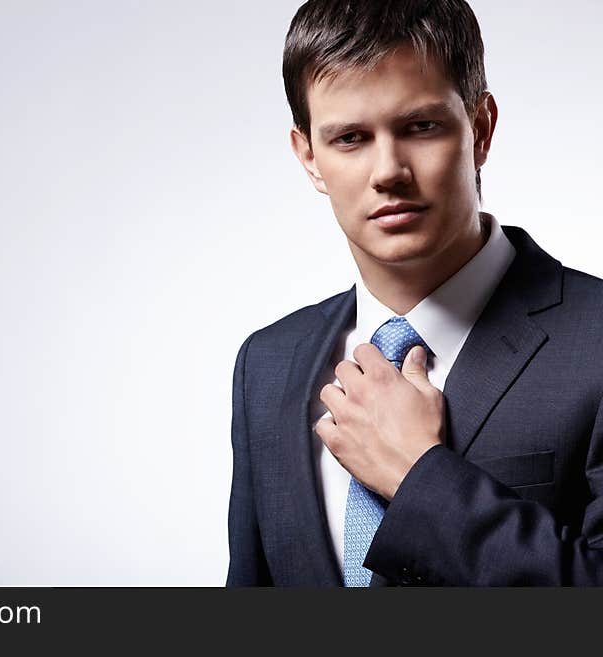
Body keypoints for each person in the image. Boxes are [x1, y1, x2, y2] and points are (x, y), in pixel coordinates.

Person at [226, 0, 603, 586]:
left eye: (420, 126)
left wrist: (419, 478)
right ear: (310, 158)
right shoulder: (268, 363)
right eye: (350, 138)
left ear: (479, 129)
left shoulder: (596, 342)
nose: (389, 171)